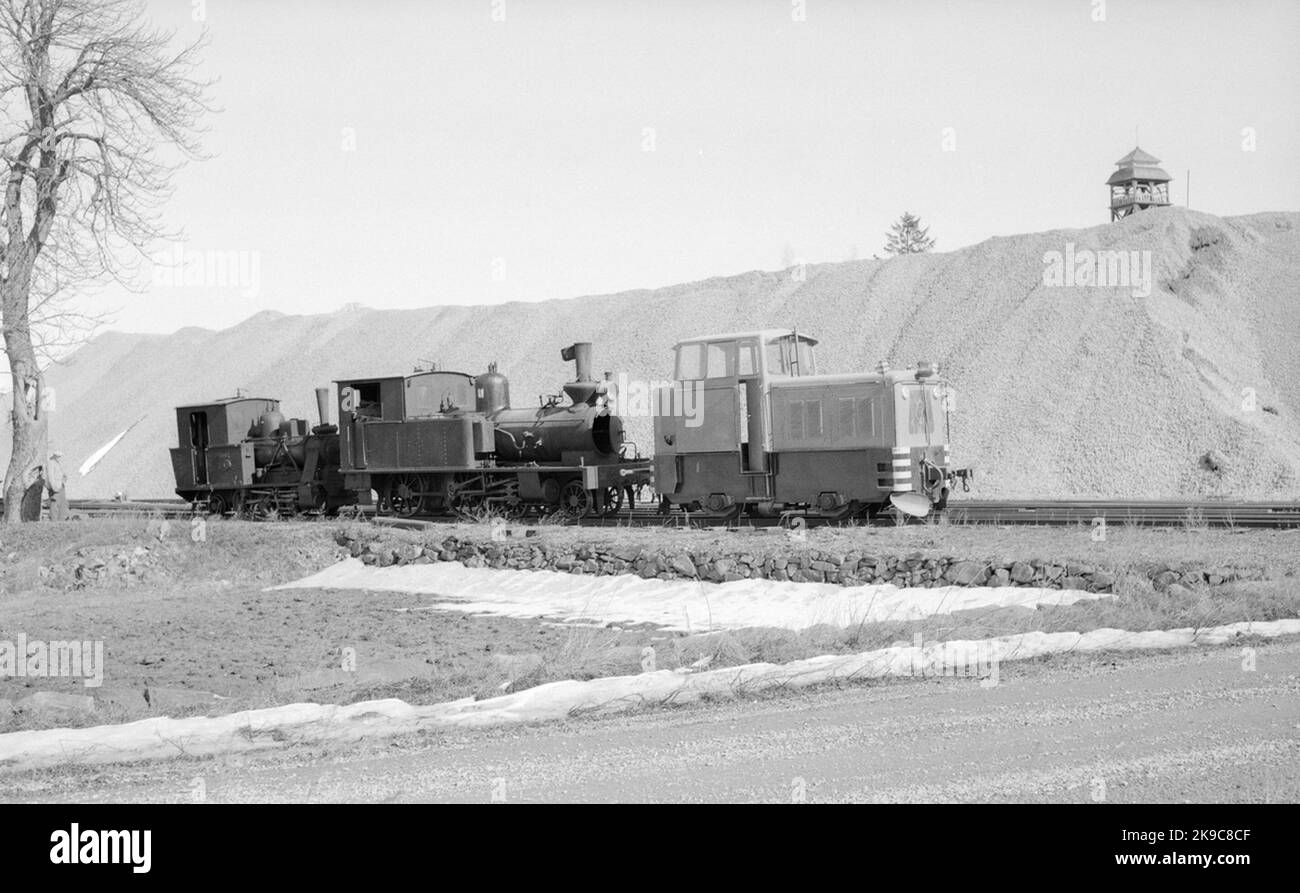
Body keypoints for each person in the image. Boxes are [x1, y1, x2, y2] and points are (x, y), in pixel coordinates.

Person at [45, 450, 68, 521]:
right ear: (54, 456)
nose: (59, 458)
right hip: (55, 487)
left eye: (60, 456)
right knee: (55, 504)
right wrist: (54, 487)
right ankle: (54, 521)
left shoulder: (57, 463)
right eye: (58, 456)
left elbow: (60, 474)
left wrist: (64, 477)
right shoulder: (51, 463)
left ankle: (61, 520)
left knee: (62, 504)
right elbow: (50, 476)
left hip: (60, 485)